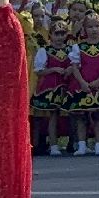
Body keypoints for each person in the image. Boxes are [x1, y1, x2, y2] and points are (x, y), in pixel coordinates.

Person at [66, 12, 99, 155]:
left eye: (96, 26)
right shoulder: (78, 47)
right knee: (81, 116)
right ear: (84, 29)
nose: (93, 30)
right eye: (90, 27)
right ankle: (82, 145)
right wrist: (82, 82)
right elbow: (75, 66)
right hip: (82, 84)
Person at [32, 21, 76, 158]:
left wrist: (70, 68)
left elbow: (77, 64)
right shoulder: (45, 50)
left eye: (62, 33)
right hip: (51, 87)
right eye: (56, 33)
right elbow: (39, 71)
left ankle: (74, 142)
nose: (59, 37)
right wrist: (53, 69)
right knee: (53, 115)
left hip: (68, 85)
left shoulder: (71, 50)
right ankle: (53, 145)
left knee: (73, 115)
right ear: (50, 35)